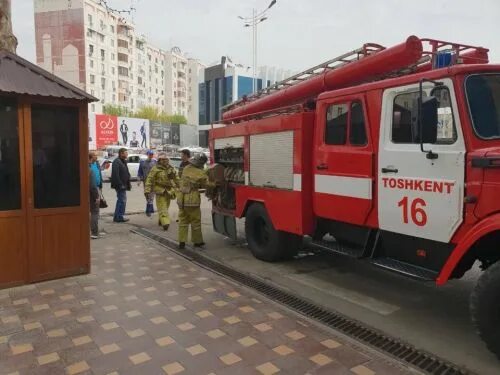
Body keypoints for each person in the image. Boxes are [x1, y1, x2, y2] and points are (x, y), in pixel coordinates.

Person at [177, 153, 210, 249]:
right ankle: (197, 242)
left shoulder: (186, 168)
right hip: (192, 200)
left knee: (183, 220)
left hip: (181, 199)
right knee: (195, 221)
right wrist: (215, 183)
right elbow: (206, 184)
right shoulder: (200, 172)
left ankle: (181, 242)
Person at [144, 153, 179, 231]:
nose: (165, 161)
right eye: (163, 159)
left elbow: (177, 179)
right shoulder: (155, 168)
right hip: (160, 190)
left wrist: (180, 186)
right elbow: (149, 179)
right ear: (159, 160)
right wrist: (147, 190)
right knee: (162, 207)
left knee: (166, 207)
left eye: (166, 159)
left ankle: (161, 219)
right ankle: (165, 223)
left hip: (169, 191)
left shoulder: (171, 168)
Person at [111, 148, 131, 223]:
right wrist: (120, 184)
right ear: (121, 153)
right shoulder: (117, 162)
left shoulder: (123, 161)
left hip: (124, 185)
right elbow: (115, 175)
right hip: (120, 185)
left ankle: (118, 216)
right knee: (122, 200)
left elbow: (126, 172)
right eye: (126, 153)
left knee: (121, 200)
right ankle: (119, 217)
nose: (127, 154)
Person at [138, 150, 157, 216]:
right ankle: (150, 208)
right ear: (147, 154)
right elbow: (140, 172)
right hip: (145, 181)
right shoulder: (142, 162)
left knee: (151, 195)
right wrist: (139, 180)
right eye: (150, 154)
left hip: (153, 182)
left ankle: (148, 211)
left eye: (152, 154)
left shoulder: (155, 162)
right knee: (146, 194)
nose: (151, 156)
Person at [89, 155, 100, 239]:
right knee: (94, 212)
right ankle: (94, 233)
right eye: (93, 157)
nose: (95, 158)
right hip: (91, 194)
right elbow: (92, 186)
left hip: (85, 194)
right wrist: (96, 196)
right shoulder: (89, 170)